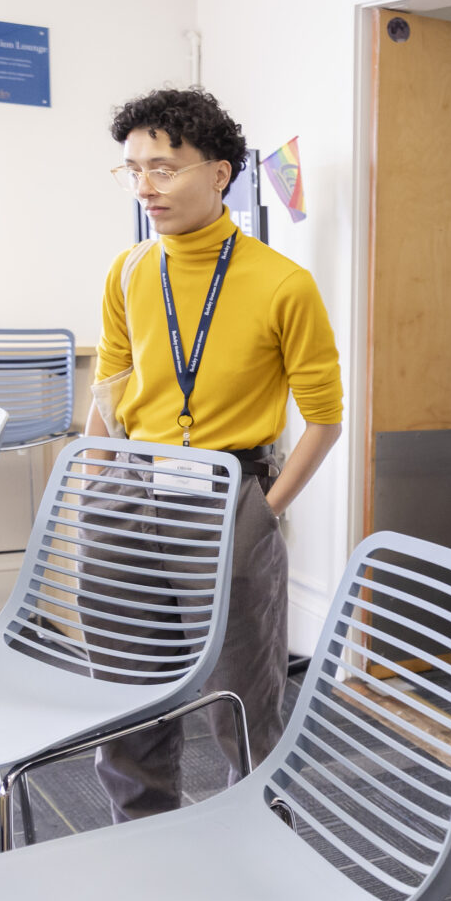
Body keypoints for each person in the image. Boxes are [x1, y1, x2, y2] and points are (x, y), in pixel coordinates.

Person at [90, 86, 342, 820]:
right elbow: (109, 390)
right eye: (132, 169)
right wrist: (90, 489)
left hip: (228, 492)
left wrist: (263, 511)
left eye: (163, 168)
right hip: (128, 488)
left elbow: (324, 419)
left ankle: (261, 853)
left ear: (220, 172)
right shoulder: (130, 270)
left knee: (241, 702)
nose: (145, 187)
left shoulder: (282, 283)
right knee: (128, 700)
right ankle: (144, 845)